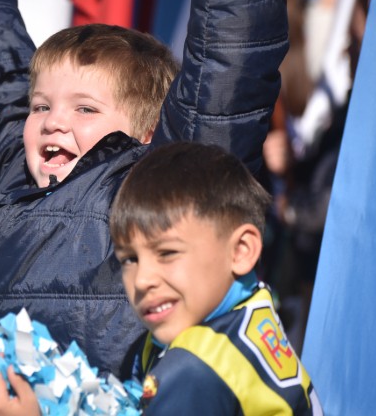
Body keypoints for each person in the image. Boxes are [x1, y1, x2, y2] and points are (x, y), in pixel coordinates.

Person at [0, 0, 296, 380]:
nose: (54, 121)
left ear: (147, 133)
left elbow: (216, 101)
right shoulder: (19, 171)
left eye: (85, 110)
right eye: (43, 107)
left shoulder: (149, 186)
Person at [110, 142, 321, 414]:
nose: (141, 280)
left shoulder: (194, 369)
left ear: (241, 251)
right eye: (130, 259)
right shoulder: (252, 306)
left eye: (167, 252)